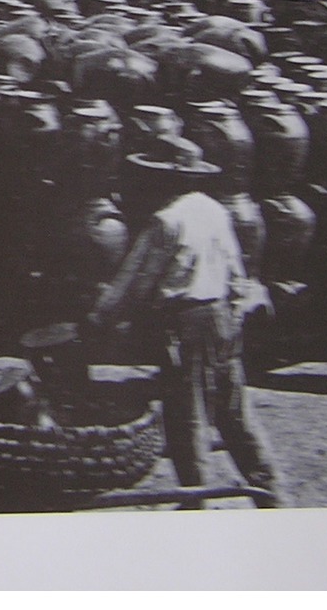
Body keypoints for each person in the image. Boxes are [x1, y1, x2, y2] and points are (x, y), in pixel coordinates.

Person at [83, 135, 283, 506]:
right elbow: (236, 270)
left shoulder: (166, 220)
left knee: (185, 416)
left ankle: (196, 500)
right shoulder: (216, 210)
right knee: (232, 411)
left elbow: (136, 281)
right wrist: (234, 313)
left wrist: (100, 319)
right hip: (221, 316)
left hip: (184, 325)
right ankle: (270, 489)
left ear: (171, 177)